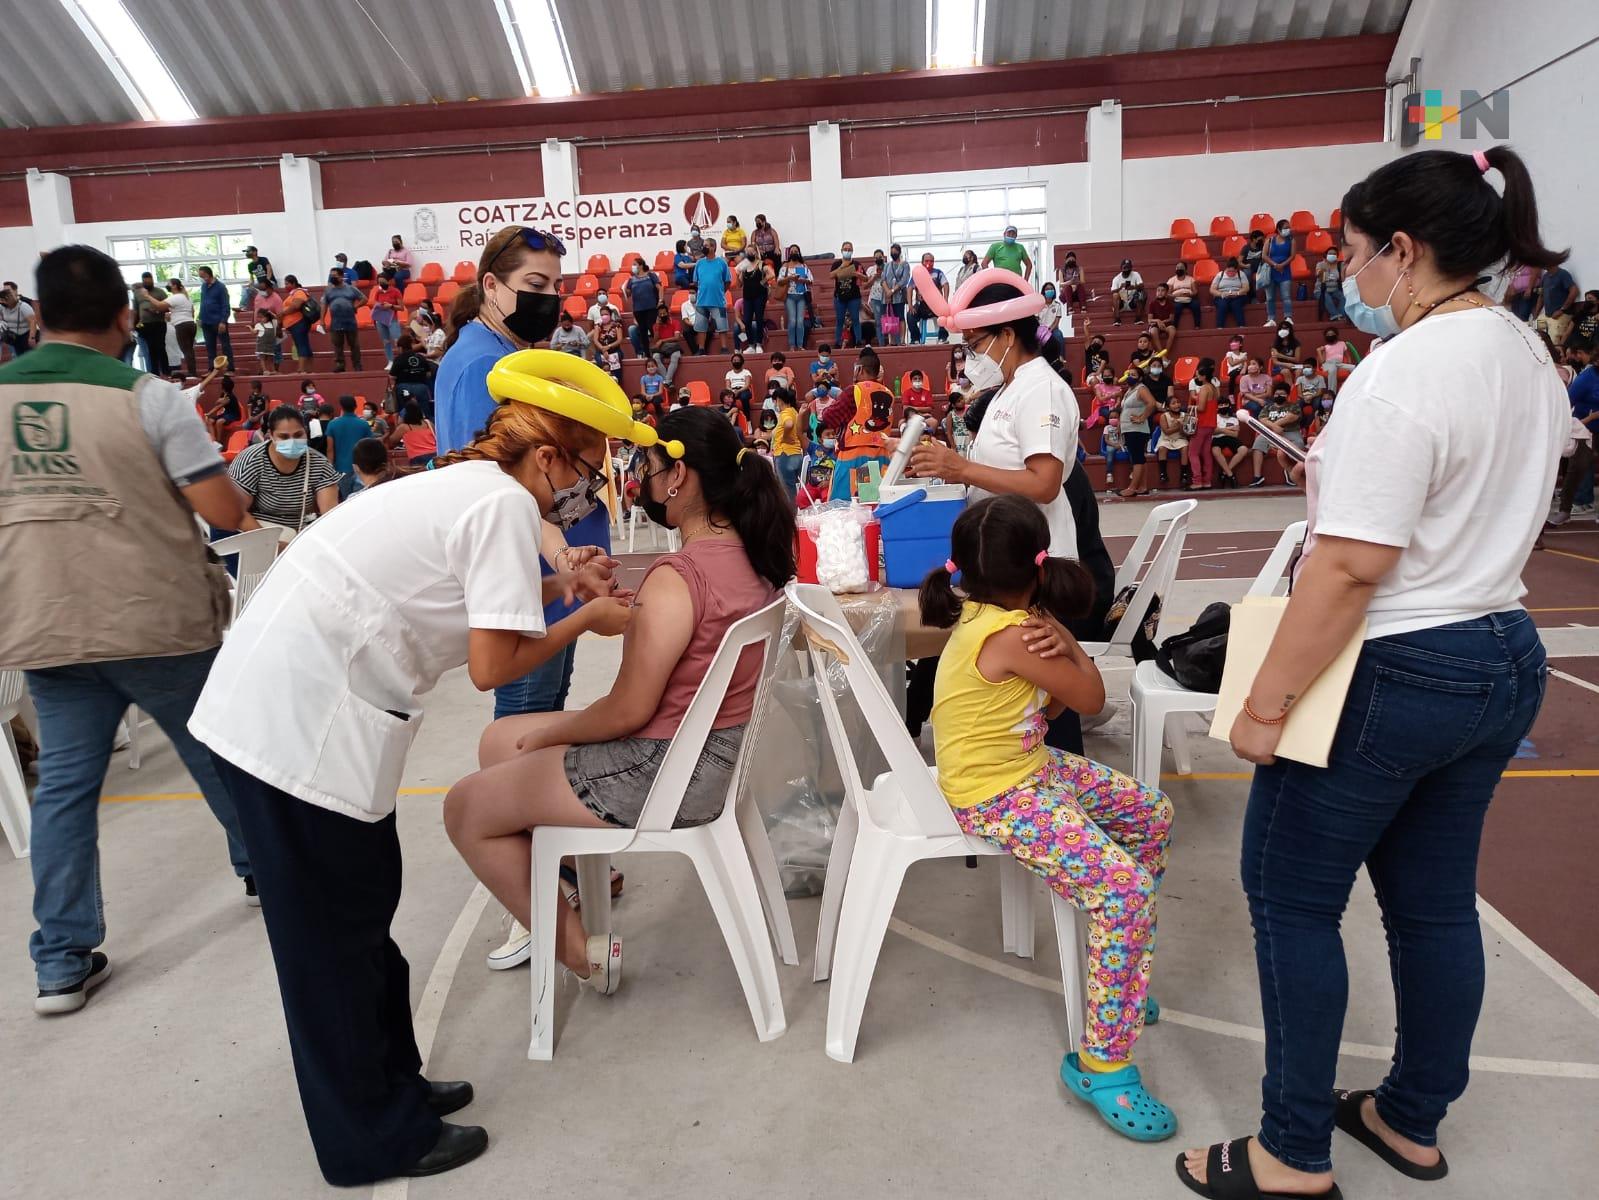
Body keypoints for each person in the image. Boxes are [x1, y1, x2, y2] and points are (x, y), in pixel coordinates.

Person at [1180, 145, 1569, 1200]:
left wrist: (1265, 705)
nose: (1348, 281)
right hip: (1500, 647)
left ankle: (1291, 1152)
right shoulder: (1523, 353)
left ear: (1403, 250)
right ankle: (1410, 1117)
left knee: (1291, 898)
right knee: (1434, 905)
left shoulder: (1405, 371)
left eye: (1354, 256)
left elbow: (1352, 566)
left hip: (1399, 660)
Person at [189, 374, 637, 1185]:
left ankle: (396, 1085)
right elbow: (490, 663)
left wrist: (560, 584)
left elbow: (466, 598)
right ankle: (369, 1138)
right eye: (581, 471)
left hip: (307, 709)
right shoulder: (500, 504)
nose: (581, 492)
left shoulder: (469, 488)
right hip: (289, 727)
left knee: (362, 917)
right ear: (544, 456)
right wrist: (585, 618)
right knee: (328, 943)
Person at [445, 403, 791, 993]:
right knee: (497, 739)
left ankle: (582, 954)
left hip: (664, 768)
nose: (643, 480)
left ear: (677, 476)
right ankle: (571, 874)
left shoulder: (679, 574)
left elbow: (629, 711)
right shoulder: (754, 558)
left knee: (465, 809)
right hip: (713, 756)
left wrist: (549, 734)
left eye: (649, 466)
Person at [0, 247, 258, 1019]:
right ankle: (267, 876)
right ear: (126, 316)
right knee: (218, 757)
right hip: (156, 620)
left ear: (36, 318)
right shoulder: (151, 399)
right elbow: (223, 512)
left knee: (68, 793)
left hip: (46, 623)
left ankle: (61, 961)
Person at [919, 494, 1174, 1141]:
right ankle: (1100, 1065)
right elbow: (1086, 698)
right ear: (1038, 565)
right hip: (994, 792)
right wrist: (1066, 644)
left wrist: (1054, 652)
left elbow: (1053, 711)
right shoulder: (1011, 632)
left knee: (1149, 813)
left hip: (1025, 767)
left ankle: (1119, 968)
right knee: (1123, 892)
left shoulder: (995, 613)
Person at [434, 226, 621, 966]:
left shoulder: (515, 357)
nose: (549, 300)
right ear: (491, 287)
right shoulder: (473, 366)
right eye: (533, 287)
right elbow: (483, 482)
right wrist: (557, 553)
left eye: (555, 286)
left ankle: (564, 863)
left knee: (542, 724)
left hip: (553, 571)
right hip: (525, 579)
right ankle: (536, 897)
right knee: (520, 731)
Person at [907, 268, 1086, 755]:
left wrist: (961, 468)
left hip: (1033, 562)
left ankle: (1062, 775)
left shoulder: (1041, 390)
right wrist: (949, 464)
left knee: (1048, 685)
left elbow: (1043, 484)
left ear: (1008, 334)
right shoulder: (1008, 389)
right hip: (1003, 558)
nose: (970, 357)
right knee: (1025, 688)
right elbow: (995, 467)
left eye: (974, 343)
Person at [228, 405, 340, 534]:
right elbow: (236, 511)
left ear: (306, 431)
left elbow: (329, 515)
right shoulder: (251, 460)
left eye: (298, 435)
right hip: (253, 532)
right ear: (271, 435)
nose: (292, 441)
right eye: (284, 437)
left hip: (297, 535)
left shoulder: (319, 464)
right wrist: (272, 542)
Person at [1245, 382, 1302, 486]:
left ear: (1287, 395)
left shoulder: (1293, 406)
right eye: (1276, 394)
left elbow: (1291, 417)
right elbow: (1262, 419)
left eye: (1282, 394)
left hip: (1290, 432)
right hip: (1271, 433)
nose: (1279, 396)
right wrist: (1274, 427)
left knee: (1298, 443)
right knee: (1258, 444)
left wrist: (1275, 424)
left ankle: (1290, 472)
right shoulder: (1268, 407)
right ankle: (1257, 477)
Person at [1117, 365, 1154, 498]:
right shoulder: (1129, 391)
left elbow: (1151, 403)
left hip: (1137, 429)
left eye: (1133, 375)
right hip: (1129, 428)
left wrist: (1142, 417)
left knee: (1137, 458)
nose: (1130, 377)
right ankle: (1142, 487)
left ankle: (1132, 488)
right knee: (1140, 458)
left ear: (1140, 378)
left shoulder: (1141, 389)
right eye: (1129, 374)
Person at [327, 394, 374, 498]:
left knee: (345, 502)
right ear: (355, 406)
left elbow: (330, 450)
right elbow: (370, 446)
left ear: (341, 407)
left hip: (341, 469)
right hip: (362, 469)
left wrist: (330, 470)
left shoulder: (332, 424)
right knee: (360, 500)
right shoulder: (364, 424)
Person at [692, 242, 732, 355]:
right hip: (702, 301)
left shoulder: (722, 263)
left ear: (713, 247)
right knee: (701, 327)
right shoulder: (699, 263)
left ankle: (724, 348)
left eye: (707, 245)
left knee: (722, 326)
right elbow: (695, 281)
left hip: (718, 300)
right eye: (703, 245)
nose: (704, 247)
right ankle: (701, 349)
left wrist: (720, 292)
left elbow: (728, 282)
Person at [323, 269, 367, 372]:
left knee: (354, 345)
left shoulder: (351, 289)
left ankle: (357, 364)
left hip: (350, 320)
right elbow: (324, 305)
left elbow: (364, 299)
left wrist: (356, 306)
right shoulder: (328, 290)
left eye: (335, 275)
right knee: (337, 344)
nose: (332, 277)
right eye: (331, 275)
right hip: (335, 321)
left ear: (341, 276)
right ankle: (340, 364)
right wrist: (322, 320)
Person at [1187, 357, 1220, 490]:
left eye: (1199, 374)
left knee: (1193, 453)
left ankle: (1197, 481)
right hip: (1211, 424)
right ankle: (1207, 480)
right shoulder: (1213, 387)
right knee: (1206, 452)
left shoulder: (1205, 388)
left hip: (1202, 423)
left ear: (1204, 375)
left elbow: (1201, 408)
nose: (1197, 376)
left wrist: (1190, 408)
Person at [194, 266, 235, 370]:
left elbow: (225, 305)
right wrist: (200, 317)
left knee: (225, 346)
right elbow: (203, 303)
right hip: (206, 322)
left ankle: (230, 369)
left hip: (218, 321)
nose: (202, 279)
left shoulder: (220, 287)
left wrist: (223, 321)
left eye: (203, 276)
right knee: (210, 347)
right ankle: (211, 369)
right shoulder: (203, 286)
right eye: (200, 277)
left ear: (209, 274)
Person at [389, 333, 437, 416]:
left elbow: (392, 376)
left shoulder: (399, 359)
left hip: (404, 389)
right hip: (421, 388)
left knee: (405, 412)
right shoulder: (420, 357)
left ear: (400, 347)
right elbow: (428, 374)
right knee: (425, 413)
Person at [131, 273, 170, 376]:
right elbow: (135, 310)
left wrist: (156, 310)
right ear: (143, 281)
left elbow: (167, 307)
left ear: (152, 280)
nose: (148, 282)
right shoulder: (137, 293)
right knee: (150, 349)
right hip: (145, 325)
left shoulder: (160, 292)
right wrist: (133, 324)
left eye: (149, 281)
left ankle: (166, 372)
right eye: (145, 281)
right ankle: (154, 373)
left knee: (161, 347)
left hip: (159, 323)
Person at [736, 248, 772, 353]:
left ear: (756, 252)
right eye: (748, 252)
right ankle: (751, 345)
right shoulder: (745, 266)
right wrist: (738, 275)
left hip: (760, 295)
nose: (749, 253)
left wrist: (763, 281)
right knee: (747, 320)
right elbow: (739, 284)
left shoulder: (761, 264)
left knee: (759, 319)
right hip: (747, 296)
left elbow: (772, 274)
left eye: (752, 251)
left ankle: (759, 344)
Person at [770, 385, 804, 497]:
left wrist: (785, 438)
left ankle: (791, 514)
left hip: (785, 455)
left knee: (787, 491)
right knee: (795, 489)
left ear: (779, 400)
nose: (775, 404)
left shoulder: (785, 413)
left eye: (774, 401)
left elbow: (789, 424)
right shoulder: (794, 412)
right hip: (796, 454)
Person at [1535, 260, 1579, 346]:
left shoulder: (1563, 274)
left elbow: (1574, 291)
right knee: (1539, 337)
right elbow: (1541, 295)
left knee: (1553, 341)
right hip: (1546, 315)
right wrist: (1536, 313)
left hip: (1561, 315)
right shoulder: (1545, 277)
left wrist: (1562, 310)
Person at [911, 252, 950, 345]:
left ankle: (942, 337)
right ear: (922, 262)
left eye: (931, 261)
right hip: (921, 306)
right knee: (910, 315)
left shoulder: (938, 273)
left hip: (935, 306)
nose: (929, 263)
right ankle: (915, 339)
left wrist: (945, 300)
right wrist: (910, 305)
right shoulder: (917, 274)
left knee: (944, 314)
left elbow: (946, 284)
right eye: (927, 261)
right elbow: (909, 288)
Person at [623, 260, 660, 358]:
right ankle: (647, 353)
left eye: (634, 264)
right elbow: (629, 294)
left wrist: (661, 300)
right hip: (638, 309)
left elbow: (660, 288)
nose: (633, 266)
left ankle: (658, 349)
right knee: (643, 331)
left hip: (651, 307)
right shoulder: (631, 279)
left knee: (652, 327)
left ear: (641, 265)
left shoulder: (651, 275)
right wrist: (625, 289)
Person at [876, 244, 911, 346]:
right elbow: (883, 279)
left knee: (900, 317)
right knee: (889, 317)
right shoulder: (887, 265)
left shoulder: (904, 265)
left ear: (899, 252)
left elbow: (904, 280)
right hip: (886, 297)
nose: (893, 253)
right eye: (892, 251)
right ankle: (892, 340)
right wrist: (887, 291)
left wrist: (892, 291)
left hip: (898, 296)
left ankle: (902, 339)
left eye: (895, 251)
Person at [778, 247, 812, 351]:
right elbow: (779, 281)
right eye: (792, 251)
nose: (794, 253)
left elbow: (811, 280)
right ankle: (792, 345)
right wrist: (790, 278)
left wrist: (803, 280)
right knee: (792, 321)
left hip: (801, 296)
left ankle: (800, 344)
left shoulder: (804, 266)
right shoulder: (785, 266)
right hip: (789, 296)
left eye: (796, 251)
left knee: (800, 321)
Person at [829, 242, 864, 347]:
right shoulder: (836, 264)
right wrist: (842, 267)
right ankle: (837, 342)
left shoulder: (857, 264)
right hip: (840, 296)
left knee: (855, 319)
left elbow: (866, 278)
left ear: (852, 251)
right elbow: (831, 276)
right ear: (841, 250)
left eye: (849, 249)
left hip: (854, 297)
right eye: (845, 249)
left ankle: (858, 341)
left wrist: (859, 275)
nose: (847, 251)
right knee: (839, 320)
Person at [386, 401, 437, 468]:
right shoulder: (428, 423)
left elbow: (391, 442)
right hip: (435, 455)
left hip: (418, 458)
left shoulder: (404, 427)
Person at [163, 277, 198, 376]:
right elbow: (192, 312)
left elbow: (160, 305)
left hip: (181, 325)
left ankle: (192, 372)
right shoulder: (187, 297)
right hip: (191, 323)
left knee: (186, 349)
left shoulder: (175, 297)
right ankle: (192, 371)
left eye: (168, 284)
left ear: (174, 286)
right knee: (189, 349)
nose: (167, 285)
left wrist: (148, 297)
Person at [1264, 218, 1295, 326]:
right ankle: (1271, 319)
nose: (1288, 230)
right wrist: (1275, 265)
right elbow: (1264, 255)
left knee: (1286, 296)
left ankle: (1288, 317)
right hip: (1271, 272)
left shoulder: (1291, 240)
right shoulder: (1270, 240)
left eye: (1289, 227)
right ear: (1279, 229)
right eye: (1285, 228)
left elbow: (1292, 256)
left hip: (1285, 271)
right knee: (1270, 297)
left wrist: (1282, 265)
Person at [281, 274, 315, 371]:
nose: (285, 286)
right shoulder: (293, 294)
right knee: (303, 345)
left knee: (301, 345)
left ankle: (301, 369)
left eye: (287, 284)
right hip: (295, 324)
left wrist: (282, 313)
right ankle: (309, 369)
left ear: (293, 283)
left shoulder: (299, 292)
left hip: (298, 323)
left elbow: (296, 305)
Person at [1211, 397, 1247, 486]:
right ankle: (1231, 475)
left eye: (1225, 404)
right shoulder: (1214, 417)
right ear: (1217, 407)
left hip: (1231, 439)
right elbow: (1214, 431)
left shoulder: (1234, 419)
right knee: (1215, 450)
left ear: (1229, 405)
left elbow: (1235, 435)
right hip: (1217, 438)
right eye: (1221, 405)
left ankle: (1224, 472)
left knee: (1243, 449)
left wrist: (1221, 430)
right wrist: (1229, 429)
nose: (1223, 406)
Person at [371, 271, 405, 363]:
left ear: (388, 281)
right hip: (381, 320)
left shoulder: (395, 291)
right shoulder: (378, 292)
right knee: (386, 341)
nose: (381, 284)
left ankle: (402, 360)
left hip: (392, 319)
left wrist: (391, 306)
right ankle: (390, 361)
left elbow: (401, 307)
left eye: (383, 282)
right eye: (379, 282)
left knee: (398, 341)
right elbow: (376, 304)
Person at [1318, 326, 1359, 394]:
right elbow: (1322, 361)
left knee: (1355, 368)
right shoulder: (1325, 347)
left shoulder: (1342, 343)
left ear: (1336, 335)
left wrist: (1349, 363)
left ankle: (1355, 389)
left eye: (1331, 334)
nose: (1330, 336)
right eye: (1328, 335)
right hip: (1328, 364)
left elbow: (1347, 355)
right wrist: (1319, 351)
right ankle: (1332, 393)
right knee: (1333, 369)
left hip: (1339, 364)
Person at [1211, 256, 1249, 327]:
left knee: (1236, 304)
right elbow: (1212, 289)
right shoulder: (1220, 275)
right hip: (1223, 295)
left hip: (1238, 296)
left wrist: (1238, 293)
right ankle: (1220, 327)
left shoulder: (1241, 274)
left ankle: (1241, 326)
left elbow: (1246, 288)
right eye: (1229, 271)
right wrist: (1221, 294)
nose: (1231, 273)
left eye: (1233, 271)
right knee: (1222, 305)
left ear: (1236, 269)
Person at [205, 374, 243, 443]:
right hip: (226, 414)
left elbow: (219, 406)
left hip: (233, 415)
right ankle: (213, 439)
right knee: (210, 421)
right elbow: (216, 403)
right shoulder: (223, 395)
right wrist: (208, 414)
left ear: (223, 387)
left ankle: (219, 441)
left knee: (219, 422)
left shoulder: (230, 397)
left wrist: (209, 413)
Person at [239, 245, 276, 315]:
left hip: (271, 284)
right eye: (246, 252)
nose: (247, 253)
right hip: (261, 288)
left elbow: (269, 270)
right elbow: (252, 279)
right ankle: (242, 307)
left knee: (262, 287)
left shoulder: (263, 259)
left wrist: (267, 282)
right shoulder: (250, 265)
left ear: (255, 252)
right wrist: (249, 285)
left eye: (248, 251)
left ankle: (265, 296)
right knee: (245, 289)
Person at [592, 308, 624, 380]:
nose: (604, 316)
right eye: (602, 315)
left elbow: (619, 340)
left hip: (614, 350)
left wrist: (608, 347)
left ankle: (617, 381)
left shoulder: (617, 325)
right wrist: (603, 350)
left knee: (615, 359)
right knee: (600, 360)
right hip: (601, 351)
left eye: (606, 314)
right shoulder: (598, 326)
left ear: (610, 315)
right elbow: (595, 340)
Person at [1110, 259, 1145, 325]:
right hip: (1122, 299)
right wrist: (1120, 288)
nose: (1126, 269)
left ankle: (1138, 318)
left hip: (1133, 300)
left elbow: (1142, 286)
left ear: (1131, 268)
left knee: (1140, 293)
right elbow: (1112, 291)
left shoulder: (1135, 274)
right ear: (1121, 268)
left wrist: (1133, 287)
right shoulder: (1117, 278)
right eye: (1125, 267)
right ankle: (1117, 319)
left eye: (1128, 267)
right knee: (1115, 295)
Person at [1314, 248, 1346, 320]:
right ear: (1326, 255)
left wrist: (1342, 272)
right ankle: (1335, 315)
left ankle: (1340, 314)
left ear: (1337, 256)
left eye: (1334, 254)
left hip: (1335, 289)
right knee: (1326, 297)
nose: (1332, 255)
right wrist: (1323, 270)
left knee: (1344, 297)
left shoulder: (1340, 265)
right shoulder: (1321, 264)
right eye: (1330, 253)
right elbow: (1318, 275)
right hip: (1321, 290)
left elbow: (1343, 279)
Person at [1146, 283, 1175, 356]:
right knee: (1153, 331)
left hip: (1167, 324)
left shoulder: (1170, 304)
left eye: (1162, 291)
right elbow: (1149, 320)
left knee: (1172, 330)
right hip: (1156, 325)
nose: (1160, 293)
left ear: (1166, 293)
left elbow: (1171, 319)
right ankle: (1162, 355)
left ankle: (1165, 353)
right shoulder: (1152, 303)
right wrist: (1158, 321)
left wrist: (1162, 322)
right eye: (1158, 290)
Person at [253, 307, 280, 375]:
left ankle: (273, 370)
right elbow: (254, 332)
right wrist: (250, 328)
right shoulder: (258, 325)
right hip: (262, 345)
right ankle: (264, 370)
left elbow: (276, 318)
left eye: (262, 317)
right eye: (258, 317)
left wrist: (270, 313)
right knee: (262, 358)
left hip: (270, 345)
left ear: (267, 317)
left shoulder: (272, 324)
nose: (260, 319)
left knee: (271, 358)